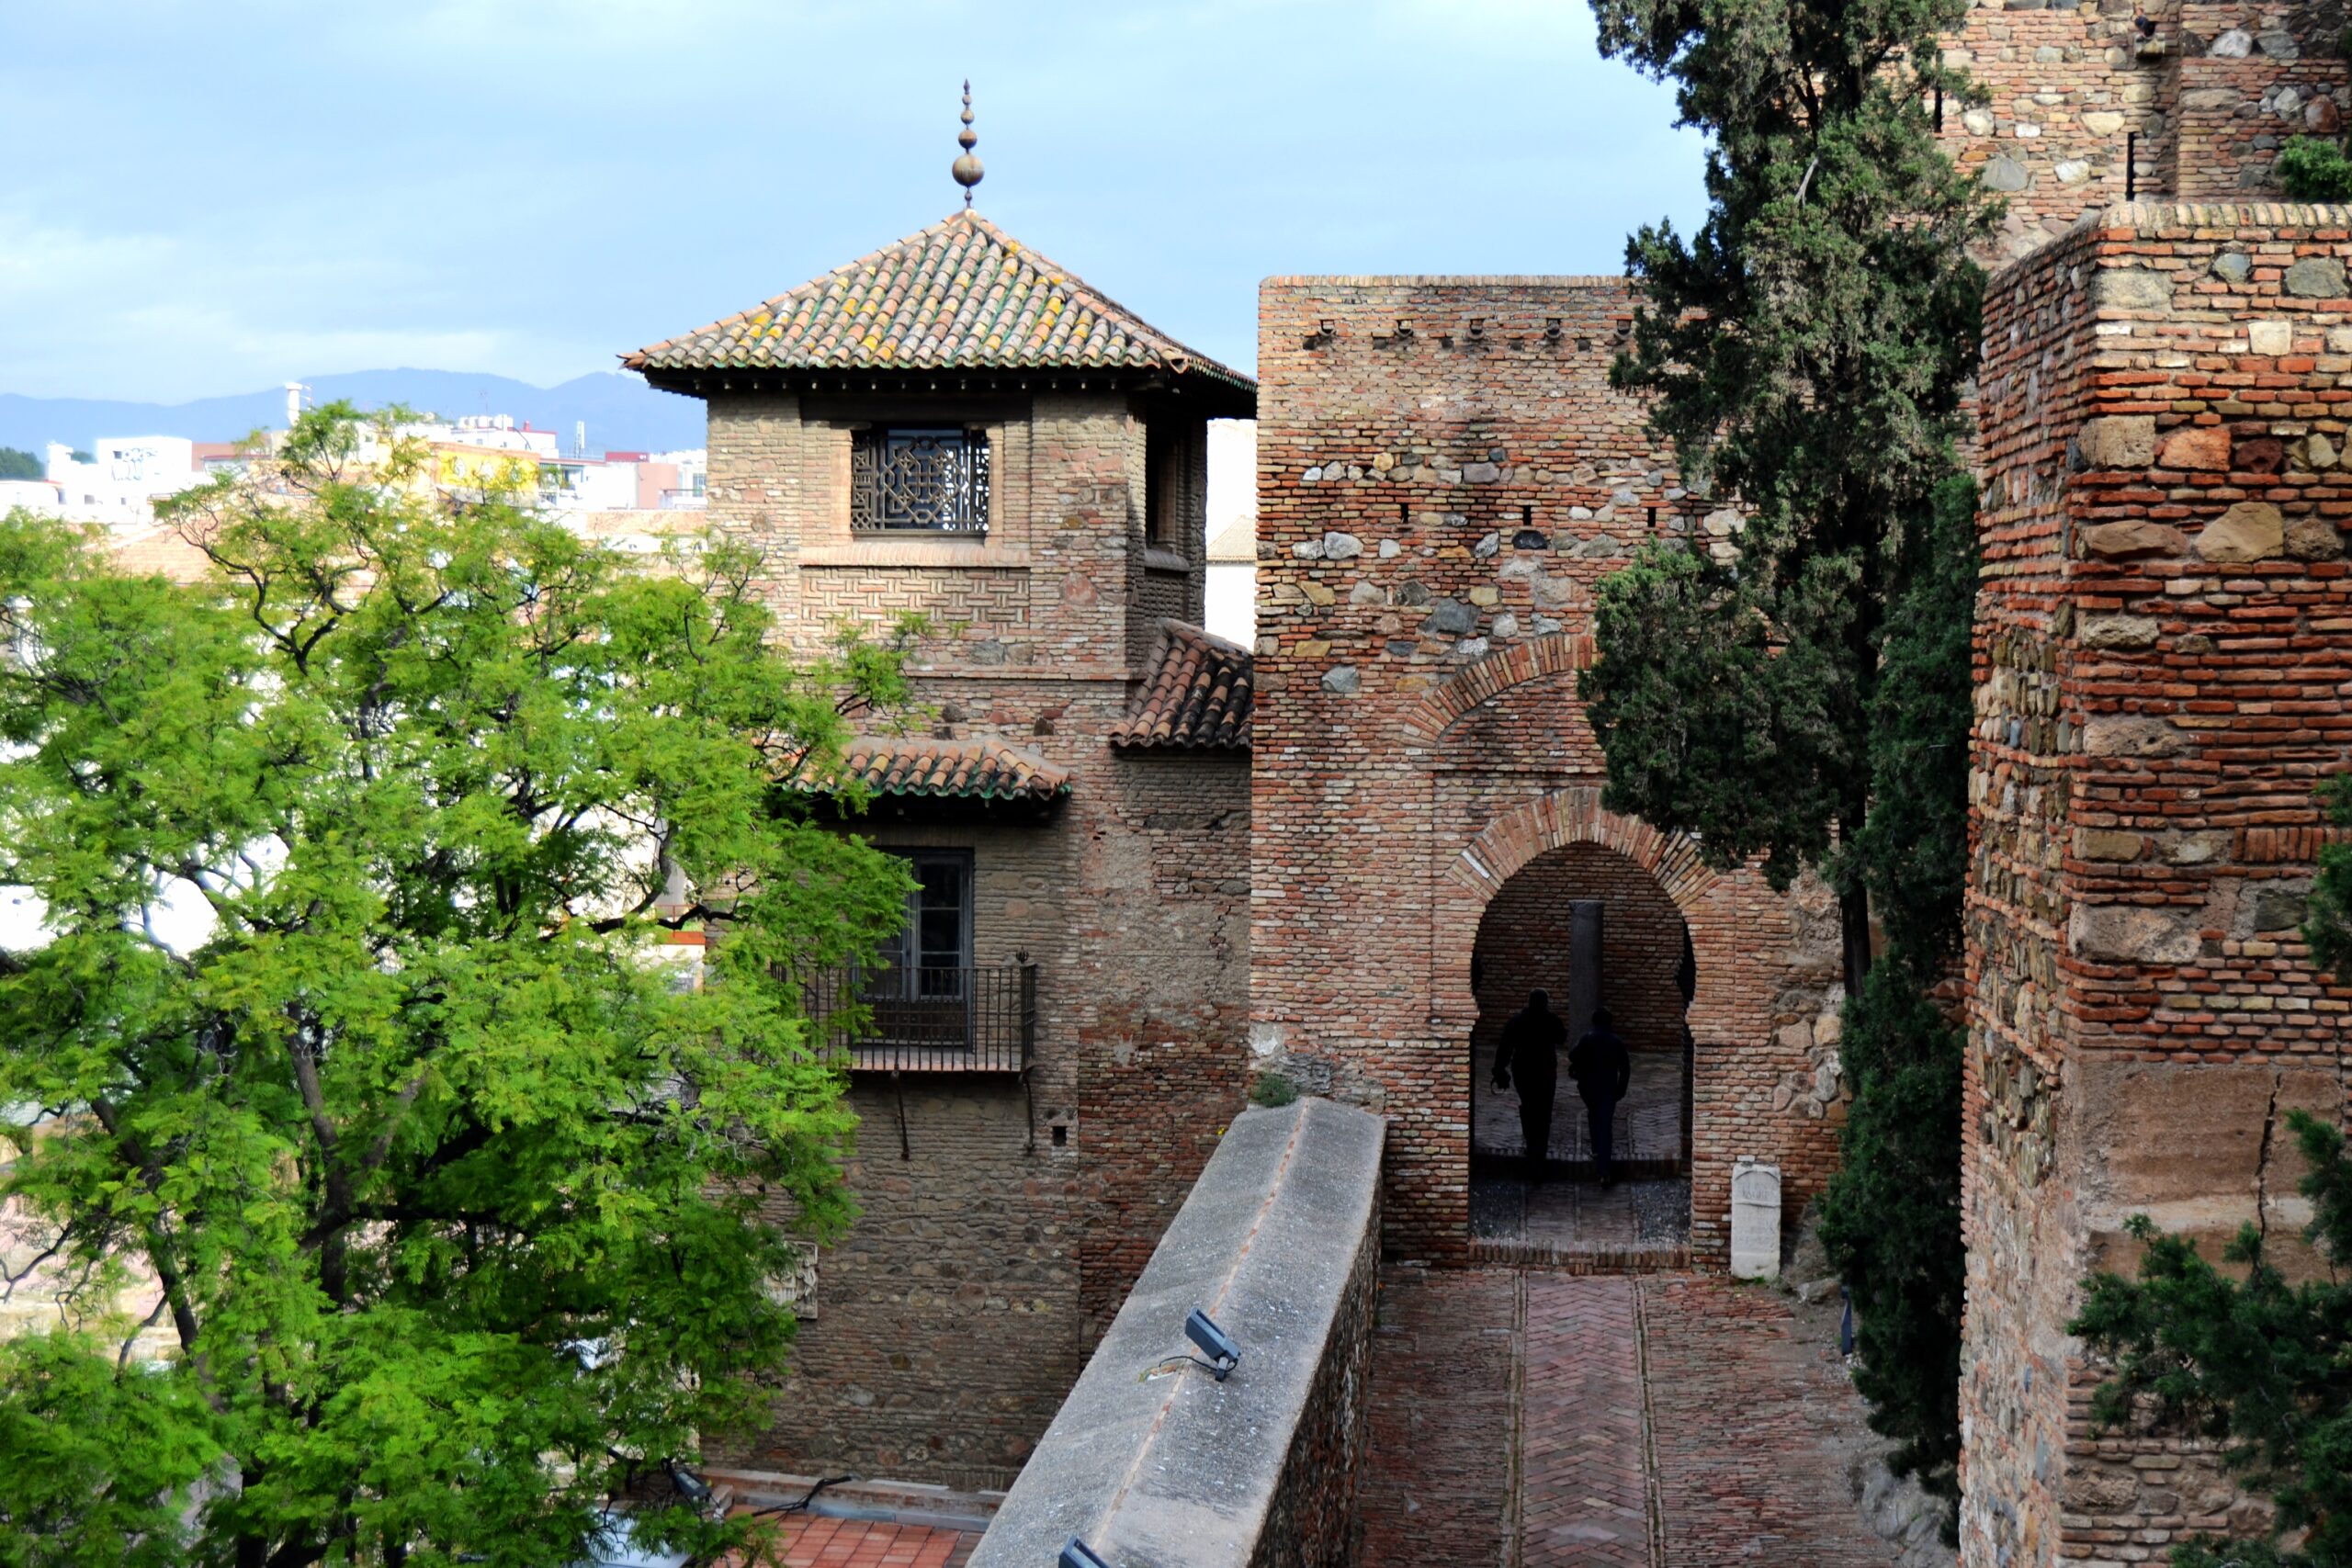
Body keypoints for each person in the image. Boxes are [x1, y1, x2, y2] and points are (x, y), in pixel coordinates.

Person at [1490, 989, 1567, 1182]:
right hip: (1545, 1072)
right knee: (1544, 1111)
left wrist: (1499, 1069)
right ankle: (1538, 1151)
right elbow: (1562, 1037)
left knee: (1529, 1107)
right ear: (1545, 1002)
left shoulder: (1517, 1021)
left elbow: (1505, 1047)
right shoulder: (1550, 1020)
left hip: (1523, 1071)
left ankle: (1532, 1145)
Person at [1567, 1005, 1633, 1190]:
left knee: (1594, 1115)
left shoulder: (1587, 1039)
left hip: (1589, 1088)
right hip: (1608, 1089)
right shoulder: (1615, 1041)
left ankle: (1597, 1151)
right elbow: (1625, 1068)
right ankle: (1604, 1169)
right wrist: (1621, 1088)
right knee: (1605, 1125)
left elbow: (1572, 1055)